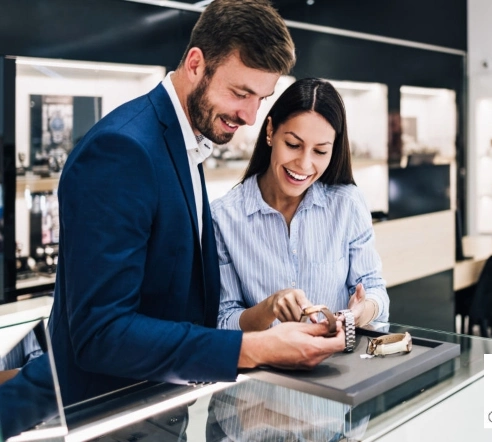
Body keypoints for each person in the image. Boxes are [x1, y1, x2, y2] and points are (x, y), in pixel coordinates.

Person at [47, 0, 344, 408]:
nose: (251, 116)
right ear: (194, 64)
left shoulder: (184, 143)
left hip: (156, 408)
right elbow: (100, 333)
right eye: (241, 93)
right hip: (105, 416)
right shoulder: (122, 150)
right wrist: (254, 348)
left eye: (262, 98)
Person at [211, 78, 389, 332]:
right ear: (270, 131)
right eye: (293, 145)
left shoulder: (347, 204)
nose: (304, 165)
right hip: (266, 369)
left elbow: (374, 290)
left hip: (338, 367)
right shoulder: (223, 217)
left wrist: (361, 311)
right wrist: (269, 308)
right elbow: (223, 320)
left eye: (320, 151)